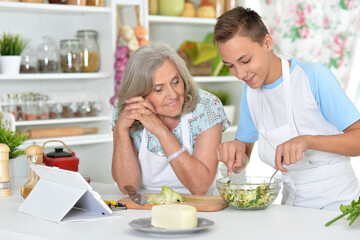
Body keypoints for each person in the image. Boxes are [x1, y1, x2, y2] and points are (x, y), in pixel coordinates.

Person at [214, 6, 360, 210]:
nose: (239, 74)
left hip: (338, 203)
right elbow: (243, 159)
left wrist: (308, 141)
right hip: (292, 205)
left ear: (267, 43)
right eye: (230, 66)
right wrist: (235, 154)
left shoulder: (313, 77)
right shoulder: (250, 93)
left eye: (245, 60)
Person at [111, 42, 230, 195]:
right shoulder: (127, 110)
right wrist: (121, 130)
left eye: (176, 82)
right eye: (158, 89)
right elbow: (129, 187)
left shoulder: (206, 107)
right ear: (139, 94)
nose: (173, 95)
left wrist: (161, 131)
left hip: (200, 205)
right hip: (144, 204)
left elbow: (200, 186)